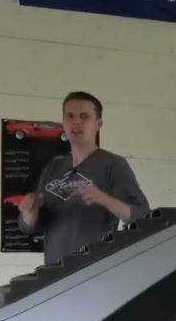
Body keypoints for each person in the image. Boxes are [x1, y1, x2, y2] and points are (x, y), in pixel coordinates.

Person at [18, 91, 151, 264]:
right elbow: (30, 227)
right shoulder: (54, 167)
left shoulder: (112, 164)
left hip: (93, 273)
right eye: (70, 116)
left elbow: (143, 217)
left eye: (84, 116)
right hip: (53, 273)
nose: (76, 121)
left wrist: (103, 199)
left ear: (98, 124)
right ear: (64, 123)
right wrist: (29, 214)